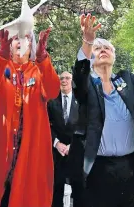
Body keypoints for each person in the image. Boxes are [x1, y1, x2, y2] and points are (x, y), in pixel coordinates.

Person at [73, 7, 134, 207]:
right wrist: (88, 41)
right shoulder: (86, 85)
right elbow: (79, 77)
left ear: (114, 56)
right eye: (98, 49)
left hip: (133, 170)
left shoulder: (127, 81)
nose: (103, 50)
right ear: (91, 58)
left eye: (107, 48)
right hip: (97, 171)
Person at [0, 28, 60, 207]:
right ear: (9, 45)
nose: (21, 42)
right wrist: (1, 56)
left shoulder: (37, 70)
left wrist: (42, 58)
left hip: (28, 154)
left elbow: (52, 90)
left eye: (26, 38)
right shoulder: (1, 66)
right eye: (16, 38)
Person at [48, 71, 84, 207]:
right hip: (56, 154)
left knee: (79, 192)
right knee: (56, 191)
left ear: (72, 80)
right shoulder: (51, 100)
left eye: (67, 78)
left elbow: (84, 124)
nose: (64, 80)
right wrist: (57, 143)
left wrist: (72, 145)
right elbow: (46, 124)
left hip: (75, 152)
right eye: (61, 78)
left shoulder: (80, 100)